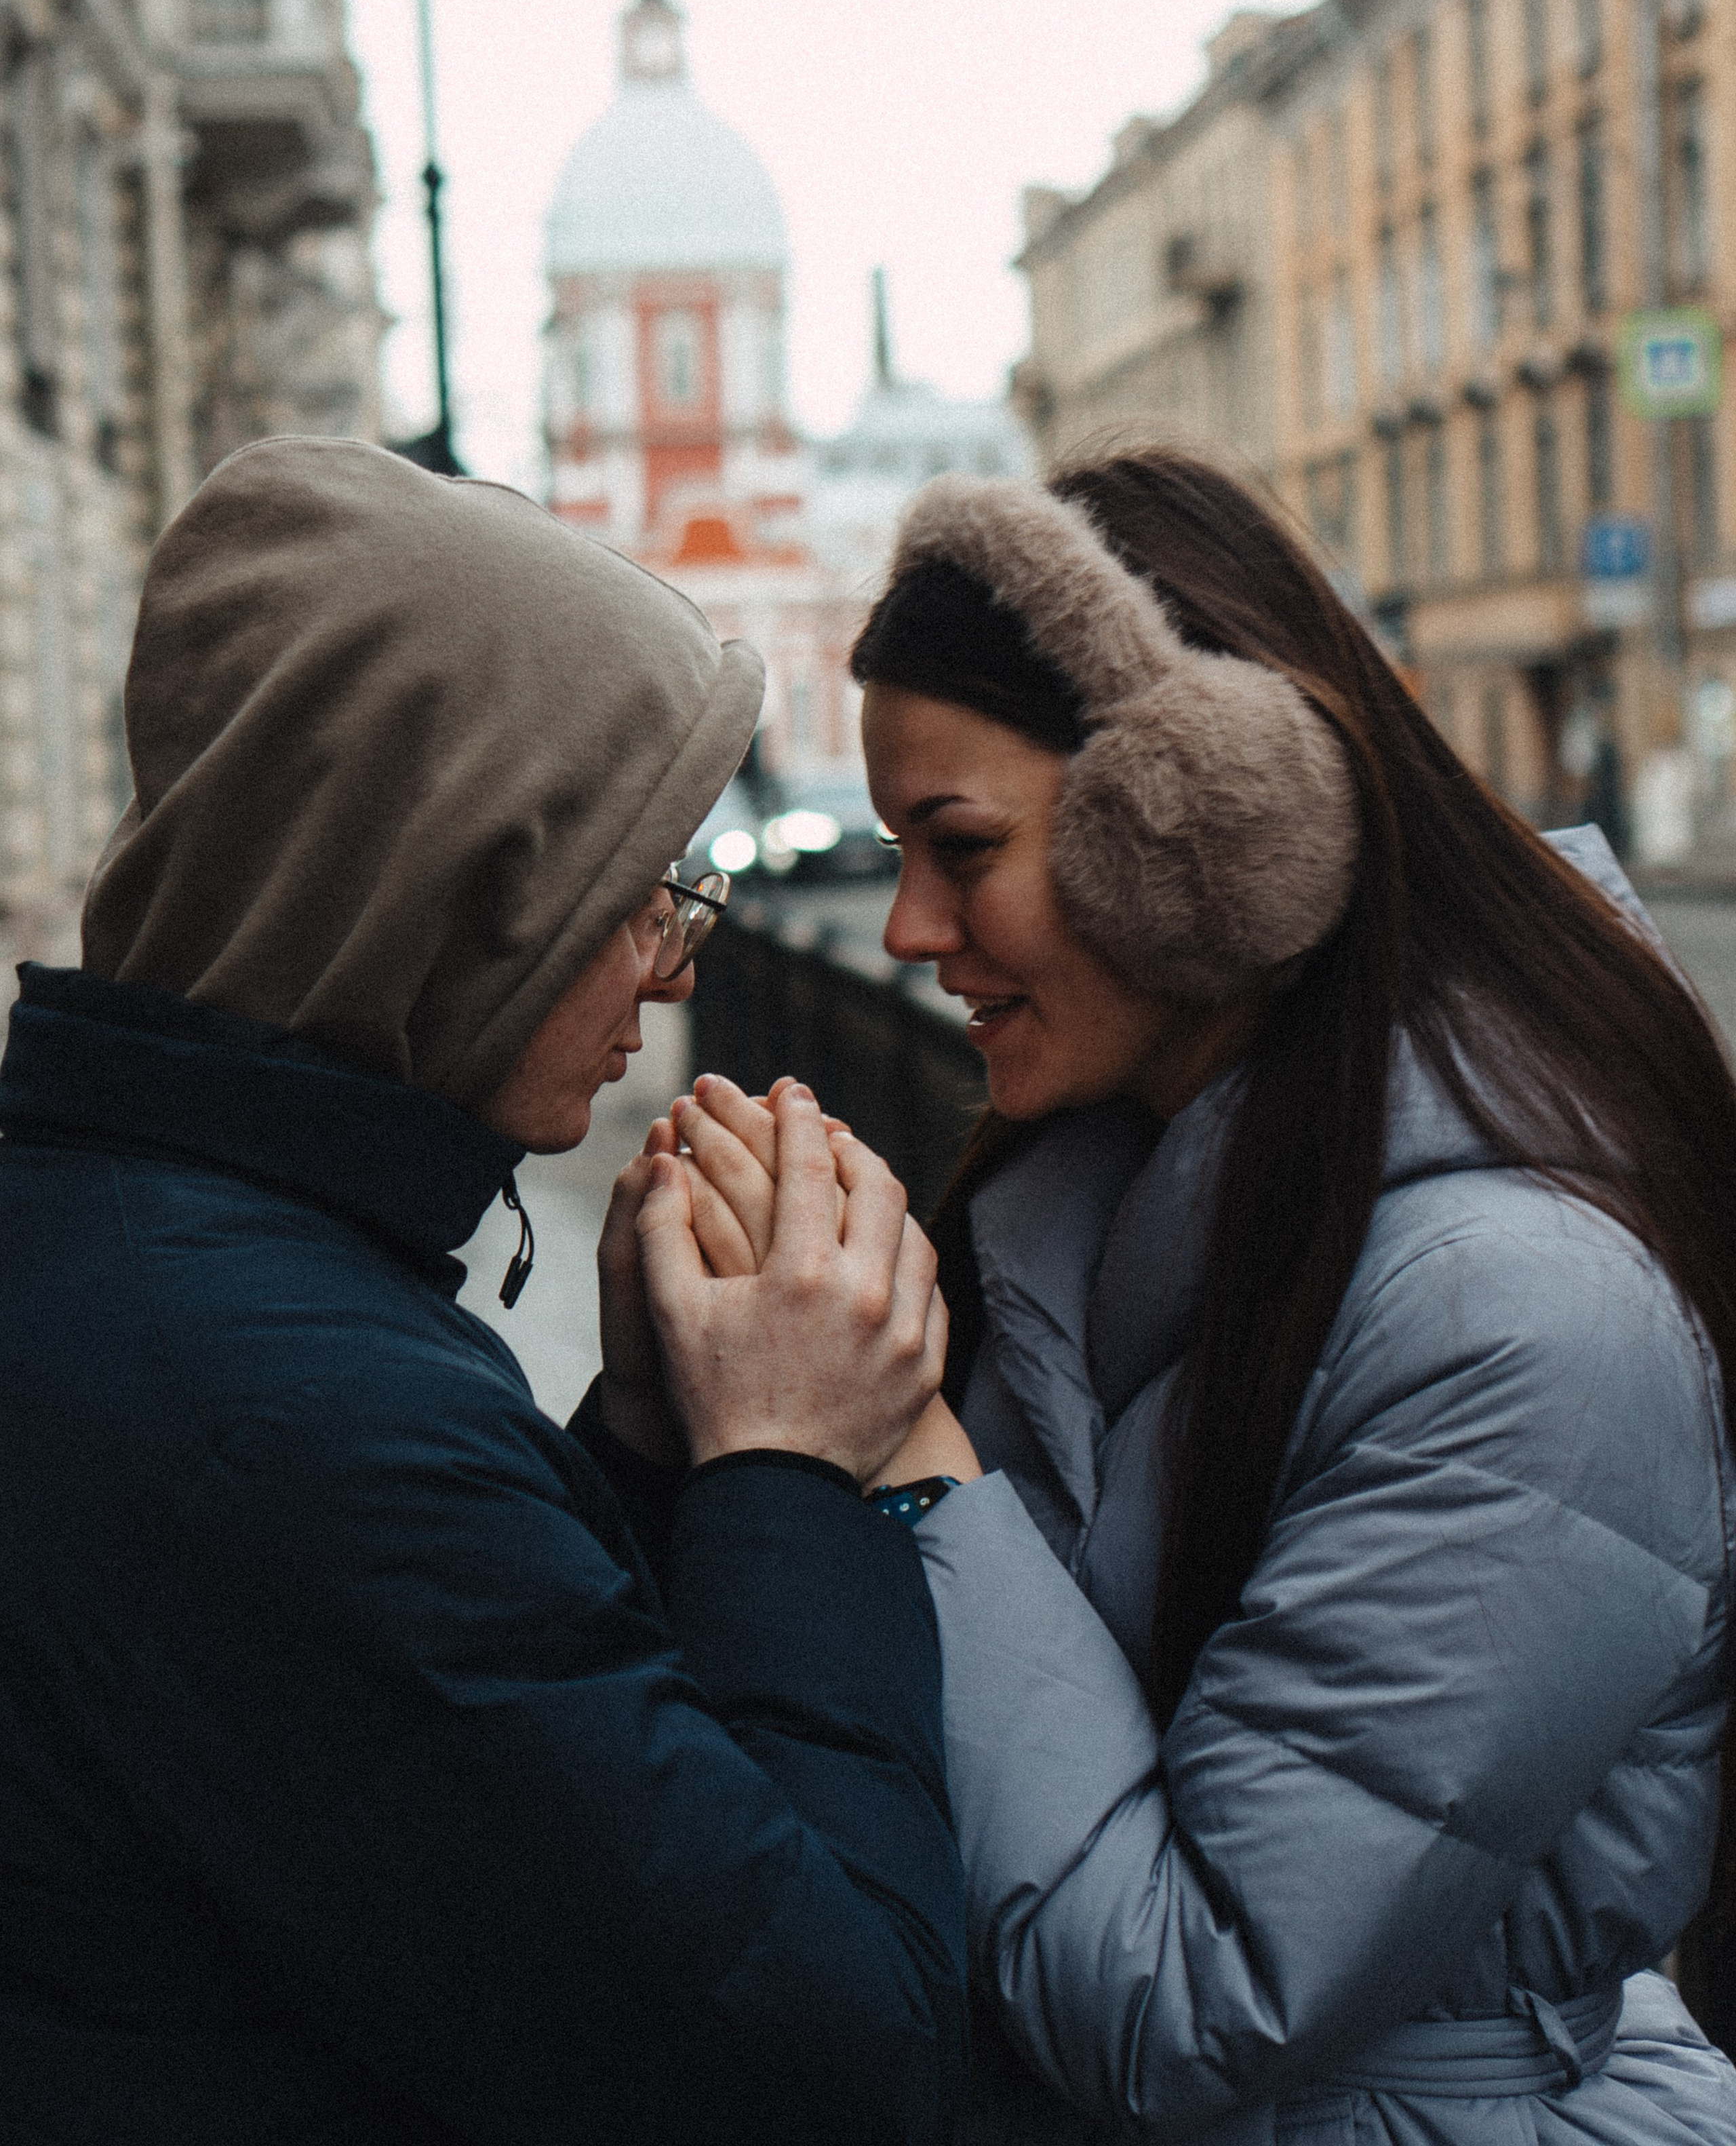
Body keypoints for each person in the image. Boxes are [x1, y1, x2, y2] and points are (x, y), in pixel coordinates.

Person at [658, 449, 1736, 2144]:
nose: (902, 932)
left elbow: (1189, 2009)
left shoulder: (1525, 1330)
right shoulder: (1094, 1187)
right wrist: (708, 1397)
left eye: (957, 848)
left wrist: (901, 1455)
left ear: (1199, 824)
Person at [0, 437, 968, 2146]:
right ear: (467, 897)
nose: (679, 966)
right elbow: (831, 2067)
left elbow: (449, 1778)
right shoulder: (292, 1414)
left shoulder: (159, 1244)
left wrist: (648, 1447)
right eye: (646, 898)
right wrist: (790, 1468)